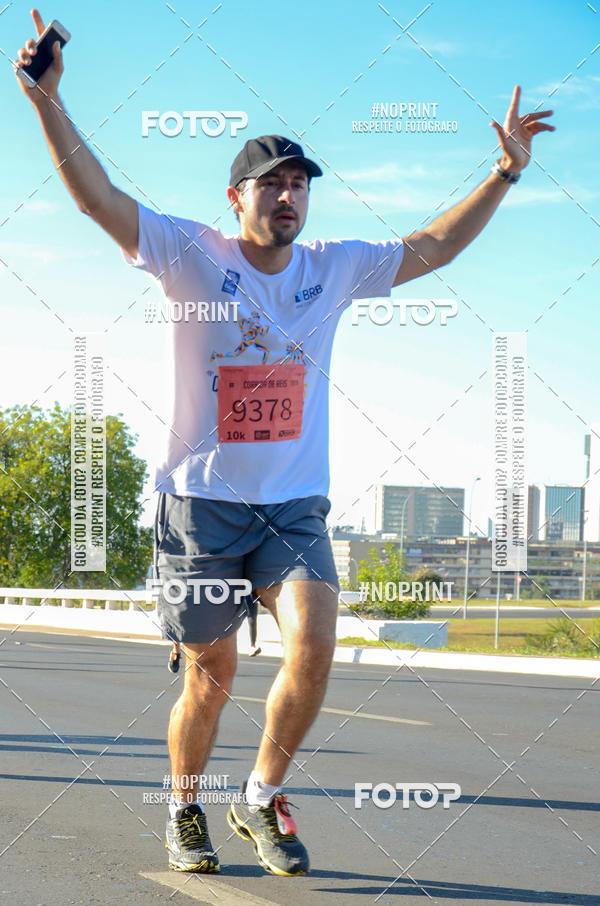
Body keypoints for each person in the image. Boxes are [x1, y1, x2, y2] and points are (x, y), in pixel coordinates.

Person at [14, 9, 555, 878]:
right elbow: (95, 196)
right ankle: (185, 808)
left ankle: (259, 797)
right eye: (271, 183)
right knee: (211, 676)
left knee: (313, 644)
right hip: (198, 507)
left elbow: (434, 246)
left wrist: (503, 172)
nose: (289, 195)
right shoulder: (188, 253)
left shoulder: (333, 267)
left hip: (292, 508)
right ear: (238, 199)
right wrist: (43, 100)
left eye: (300, 183)